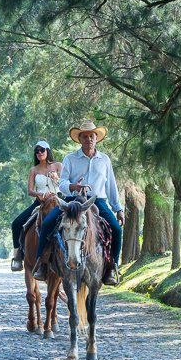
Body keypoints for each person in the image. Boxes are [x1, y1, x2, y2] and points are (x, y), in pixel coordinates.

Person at [32, 120, 124, 286]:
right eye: (85, 136)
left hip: (97, 201)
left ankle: (111, 267)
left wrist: (118, 209)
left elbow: (111, 185)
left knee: (116, 230)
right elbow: (62, 183)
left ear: (96, 138)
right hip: (71, 201)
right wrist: (74, 186)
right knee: (47, 223)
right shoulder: (70, 159)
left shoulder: (104, 160)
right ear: (80, 139)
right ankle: (42, 265)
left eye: (92, 136)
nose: (89, 139)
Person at [10, 140, 61, 272]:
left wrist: (57, 179)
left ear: (47, 151)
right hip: (40, 202)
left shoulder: (58, 166)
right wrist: (40, 194)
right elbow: (30, 191)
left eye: (42, 150)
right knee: (16, 223)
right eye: (37, 151)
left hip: (58, 202)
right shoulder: (33, 170)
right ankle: (17, 255)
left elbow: (65, 185)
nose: (39, 153)